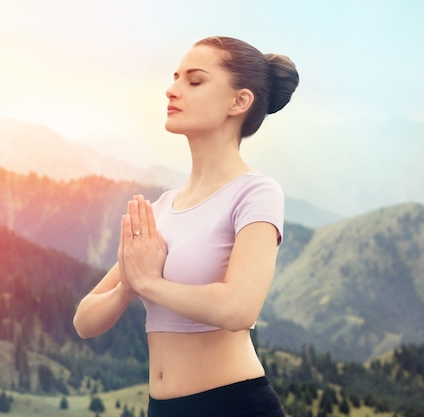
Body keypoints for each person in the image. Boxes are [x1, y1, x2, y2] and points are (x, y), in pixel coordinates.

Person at [73, 36, 299, 417]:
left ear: (239, 102)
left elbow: (239, 308)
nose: (172, 89)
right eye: (175, 77)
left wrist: (149, 283)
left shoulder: (256, 193)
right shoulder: (163, 207)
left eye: (194, 81)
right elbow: (84, 320)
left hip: (234, 406)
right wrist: (128, 286)